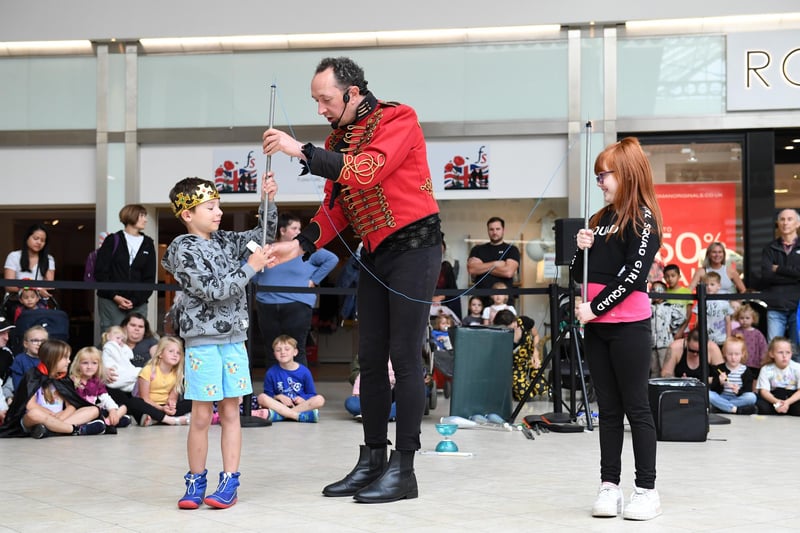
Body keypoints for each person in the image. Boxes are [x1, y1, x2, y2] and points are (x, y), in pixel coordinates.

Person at [262, 56, 441, 504]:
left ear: (353, 93)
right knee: (371, 356)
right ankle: (373, 460)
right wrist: (298, 245)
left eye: (325, 99)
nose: (320, 108)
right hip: (375, 252)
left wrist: (299, 151)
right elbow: (337, 211)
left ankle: (405, 469)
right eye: (315, 101)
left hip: (416, 247)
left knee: (404, 356)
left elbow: (367, 170)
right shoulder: (337, 139)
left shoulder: (398, 118)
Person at [161, 173, 277, 509]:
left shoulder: (223, 240)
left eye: (218, 206)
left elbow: (262, 237)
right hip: (202, 341)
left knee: (230, 411)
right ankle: (195, 481)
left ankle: (229, 482)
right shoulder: (183, 250)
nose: (218, 212)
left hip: (234, 339)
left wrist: (268, 201)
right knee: (200, 415)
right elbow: (214, 291)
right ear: (187, 214)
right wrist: (251, 268)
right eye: (209, 207)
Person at [573, 137, 663, 521]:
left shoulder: (644, 220)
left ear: (625, 174)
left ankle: (646, 490)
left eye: (603, 175)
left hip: (628, 327)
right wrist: (581, 248)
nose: (599, 183)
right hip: (598, 327)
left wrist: (594, 308)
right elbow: (579, 272)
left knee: (636, 408)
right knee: (607, 410)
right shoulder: (599, 220)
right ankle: (609, 485)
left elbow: (632, 276)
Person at [254, 213, 338, 368]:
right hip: (267, 303)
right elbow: (248, 264)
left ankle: (301, 390)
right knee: (272, 349)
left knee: (296, 349)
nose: (299, 232)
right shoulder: (269, 248)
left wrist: (314, 280)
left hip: (297, 304)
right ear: (282, 230)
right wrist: (258, 279)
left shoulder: (306, 249)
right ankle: (274, 389)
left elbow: (332, 259)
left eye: (300, 228)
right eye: (294, 228)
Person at [0, 340, 106, 438]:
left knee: (94, 410)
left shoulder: (64, 379)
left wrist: (59, 416)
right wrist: (50, 415)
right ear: (53, 359)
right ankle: (74, 429)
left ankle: (50, 430)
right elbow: (30, 405)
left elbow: (72, 406)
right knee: (34, 414)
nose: (69, 361)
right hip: (37, 419)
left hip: (60, 418)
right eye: (65, 358)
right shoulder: (33, 375)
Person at [94, 204, 157, 334]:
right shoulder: (112, 240)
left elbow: (149, 278)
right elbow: (100, 272)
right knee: (112, 338)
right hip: (110, 302)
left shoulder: (148, 243)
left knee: (136, 338)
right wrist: (115, 296)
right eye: (142, 216)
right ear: (131, 216)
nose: (145, 220)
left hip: (138, 304)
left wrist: (134, 300)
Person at [256, 335, 325, 423]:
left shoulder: (304, 371)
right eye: (278, 350)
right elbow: (268, 395)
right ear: (274, 354)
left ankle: (281, 416)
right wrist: (278, 397)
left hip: (300, 405)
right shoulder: (271, 372)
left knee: (320, 399)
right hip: (280, 405)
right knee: (261, 398)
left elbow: (312, 394)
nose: (283, 352)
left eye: (287, 349)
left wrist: (303, 398)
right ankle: (297, 416)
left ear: (295, 352)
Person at [760, 208, 800, 354]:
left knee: (797, 351)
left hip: (798, 307)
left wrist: (779, 269)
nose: (785, 223)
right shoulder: (770, 248)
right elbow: (767, 275)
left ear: (797, 224)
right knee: (774, 350)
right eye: (782, 219)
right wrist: (794, 275)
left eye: (789, 219)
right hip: (776, 306)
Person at [69, 346, 131, 429]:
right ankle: (108, 423)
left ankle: (108, 421)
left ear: (99, 365)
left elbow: (106, 398)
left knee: (123, 407)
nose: (89, 367)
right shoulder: (73, 380)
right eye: (85, 363)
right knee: (123, 419)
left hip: (96, 410)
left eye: (94, 363)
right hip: (82, 412)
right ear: (78, 364)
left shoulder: (97, 381)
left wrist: (112, 411)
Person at [135, 336, 191, 427]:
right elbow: (145, 398)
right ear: (160, 354)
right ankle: (170, 420)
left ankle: (155, 419)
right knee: (135, 402)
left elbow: (172, 398)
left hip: (165, 406)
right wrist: (161, 408)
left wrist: (171, 406)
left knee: (192, 401)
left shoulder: (177, 374)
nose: (175, 355)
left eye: (178, 353)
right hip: (150, 406)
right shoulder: (148, 370)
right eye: (171, 351)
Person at [492, 310, 545, 401]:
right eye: (511, 326)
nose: (515, 325)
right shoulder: (500, 336)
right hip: (515, 367)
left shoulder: (524, 321)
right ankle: (515, 388)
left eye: (515, 322)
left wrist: (536, 354)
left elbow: (536, 336)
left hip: (530, 359)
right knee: (526, 397)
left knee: (542, 387)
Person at [467, 217, 520, 305]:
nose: (494, 232)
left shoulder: (512, 249)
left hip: (504, 302)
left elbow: (508, 272)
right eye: (491, 229)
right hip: (480, 302)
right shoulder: (477, 249)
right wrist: (496, 264)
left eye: (497, 229)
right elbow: (472, 269)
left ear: (503, 230)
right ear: (488, 230)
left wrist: (482, 266)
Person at [3, 223, 55, 300]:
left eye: (42, 240)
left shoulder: (49, 259)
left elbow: (50, 286)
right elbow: (9, 286)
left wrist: (44, 259)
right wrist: (37, 290)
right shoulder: (14, 256)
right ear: (27, 238)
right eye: (35, 238)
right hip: (17, 301)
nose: (39, 242)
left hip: (39, 303)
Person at [708, 335, 757, 414]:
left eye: (737, 354)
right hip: (722, 397)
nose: (733, 357)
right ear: (725, 354)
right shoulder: (719, 369)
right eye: (730, 354)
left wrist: (738, 391)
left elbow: (748, 390)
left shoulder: (746, 371)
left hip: (737, 398)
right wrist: (719, 382)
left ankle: (722, 407)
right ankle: (734, 409)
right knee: (709, 394)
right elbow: (714, 389)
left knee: (752, 397)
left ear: (742, 354)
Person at [649, 281, 686, 377]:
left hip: (665, 343)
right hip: (652, 344)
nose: (655, 293)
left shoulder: (668, 306)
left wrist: (672, 327)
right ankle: (654, 389)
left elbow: (681, 316)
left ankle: (668, 387)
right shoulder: (650, 307)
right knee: (654, 369)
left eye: (659, 290)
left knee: (666, 368)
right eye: (653, 290)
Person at [755, 336, 800, 416]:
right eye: (780, 352)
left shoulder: (797, 368)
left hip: (792, 397)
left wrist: (787, 402)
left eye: (788, 352)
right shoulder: (766, 369)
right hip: (774, 397)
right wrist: (777, 402)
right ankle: (782, 408)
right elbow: (764, 391)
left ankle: (786, 408)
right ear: (772, 354)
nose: (784, 356)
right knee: (762, 407)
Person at [660, 327, 725, 380]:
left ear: (706, 345)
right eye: (691, 350)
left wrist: (703, 381)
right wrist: (679, 381)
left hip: (707, 391)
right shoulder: (675, 347)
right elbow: (666, 373)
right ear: (686, 342)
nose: (695, 354)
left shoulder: (713, 349)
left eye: (699, 352)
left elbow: (722, 376)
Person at [690, 271, 733, 347]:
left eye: (712, 284)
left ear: (719, 286)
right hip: (705, 339)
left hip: (721, 340)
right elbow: (697, 321)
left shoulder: (724, 302)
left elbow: (728, 322)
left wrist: (728, 338)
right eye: (706, 285)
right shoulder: (701, 301)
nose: (709, 287)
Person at [101, 325, 140, 404]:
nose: (119, 341)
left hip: (119, 378)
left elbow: (130, 356)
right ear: (108, 337)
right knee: (141, 372)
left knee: (134, 385)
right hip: (114, 376)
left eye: (122, 339)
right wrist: (119, 347)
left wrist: (123, 346)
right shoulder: (109, 346)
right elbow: (119, 358)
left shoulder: (119, 348)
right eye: (118, 338)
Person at [731, 303, 768, 377]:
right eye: (741, 318)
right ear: (737, 318)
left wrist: (763, 361)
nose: (744, 320)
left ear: (753, 319)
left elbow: (763, 347)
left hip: (755, 363)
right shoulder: (735, 332)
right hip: (739, 363)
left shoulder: (757, 333)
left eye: (747, 318)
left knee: (754, 379)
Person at [10, 325, 48, 391]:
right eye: (35, 340)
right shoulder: (20, 359)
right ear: (26, 344)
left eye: (43, 341)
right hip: (26, 395)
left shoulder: (49, 358)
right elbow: (18, 384)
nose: (39, 344)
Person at [433, 237, 461, 319]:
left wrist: (440, 298)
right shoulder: (424, 268)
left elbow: (452, 289)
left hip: (444, 302)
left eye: (441, 252)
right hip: (427, 302)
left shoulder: (446, 267)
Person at [662, 264, 691, 338]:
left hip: (683, 331)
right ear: (664, 278)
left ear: (679, 276)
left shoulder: (686, 292)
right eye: (667, 276)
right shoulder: (663, 293)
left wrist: (681, 331)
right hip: (667, 332)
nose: (670, 279)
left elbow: (688, 314)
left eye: (673, 275)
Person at [0, 317, 16, 425]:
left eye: (7, 333)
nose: (6, 338)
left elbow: (10, 379)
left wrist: (9, 397)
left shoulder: (6, 354)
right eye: (1, 334)